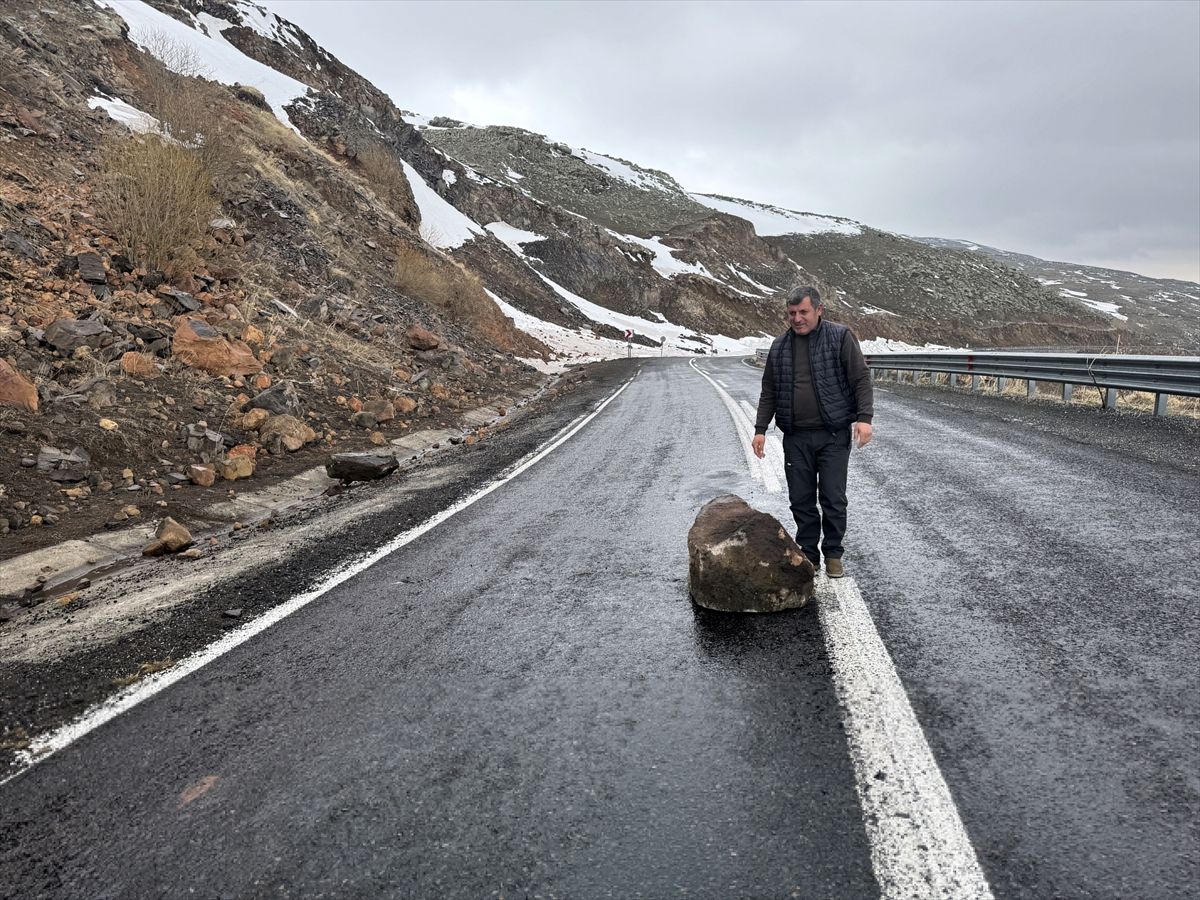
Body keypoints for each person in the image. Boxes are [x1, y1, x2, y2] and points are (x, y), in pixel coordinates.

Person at [751, 286, 874, 578]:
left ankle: (833, 553)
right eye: (792, 313)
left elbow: (860, 379)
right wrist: (760, 430)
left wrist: (864, 418)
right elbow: (769, 390)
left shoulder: (840, 337)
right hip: (795, 438)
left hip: (832, 435)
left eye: (803, 312)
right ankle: (809, 555)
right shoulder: (779, 346)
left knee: (833, 498)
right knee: (801, 499)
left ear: (819, 310)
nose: (797, 318)